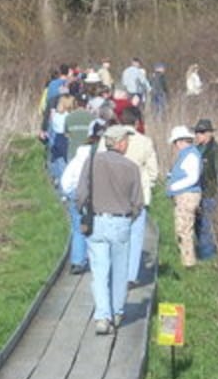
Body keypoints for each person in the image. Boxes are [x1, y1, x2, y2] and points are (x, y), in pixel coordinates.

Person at [76, 125, 144, 335]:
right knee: (120, 271)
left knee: (99, 271)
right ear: (121, 142)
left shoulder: (92, 161)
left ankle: (102, 317)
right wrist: (128, 217)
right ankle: (117, 311)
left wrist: (84, 211)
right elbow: (138, 202)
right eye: (127, 140)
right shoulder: (131, 167)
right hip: (120, 222)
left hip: (96, 221)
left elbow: (80, 194)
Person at [119, 107, 158, 286]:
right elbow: (153, 170)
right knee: (136, 236)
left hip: (116, 193)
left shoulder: (111, 140)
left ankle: (118, 271)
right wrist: (149, 184)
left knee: (119, 234)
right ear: (137, 122)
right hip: (139, 194)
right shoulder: (145, 142)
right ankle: (131, 275)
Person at [61, 128, 105, 276]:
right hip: (95, 195)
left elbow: (65, 180)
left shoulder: (76, 159)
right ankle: (95, 260)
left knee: (77, 227)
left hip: (76, 195)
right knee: (95, 228)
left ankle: (77, 261)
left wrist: (68, 194)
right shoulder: (100, 159)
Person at [166, 125, 202, 268]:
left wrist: (174, 187)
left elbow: (192, 177)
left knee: (184, 229)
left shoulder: (191, 155)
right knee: (182, 228)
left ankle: (188, 263)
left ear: (181, 141)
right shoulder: (187, 155)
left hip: (187, 195)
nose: (175, 147)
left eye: (175, 143)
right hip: (185, 194)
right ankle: (186, 259)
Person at [193, 118, 218, 260]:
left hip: (210, 193)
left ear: (210, 134)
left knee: (207, 225)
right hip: (196, 192)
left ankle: (207, 256)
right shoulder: (195, 150)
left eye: (201, 132)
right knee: (197, 223)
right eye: (196, 132)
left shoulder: (217, 151)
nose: (198, 135)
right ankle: (201, 251)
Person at [64, 91, 95, 161]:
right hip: (88, 153)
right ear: (87, 103)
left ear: (76, 103)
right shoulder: (93, 118)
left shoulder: (69, 117)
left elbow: (66, 134)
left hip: (73, 152)